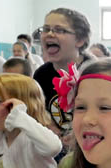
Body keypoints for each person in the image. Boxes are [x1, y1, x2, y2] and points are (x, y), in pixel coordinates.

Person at [33, 7, 93, 140]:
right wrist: (48, 125)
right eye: (46, 29)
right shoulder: (41, 75)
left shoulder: (94, 72)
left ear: (80, 40)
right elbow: (39, 110)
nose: (49, 34)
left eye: (59, 30)